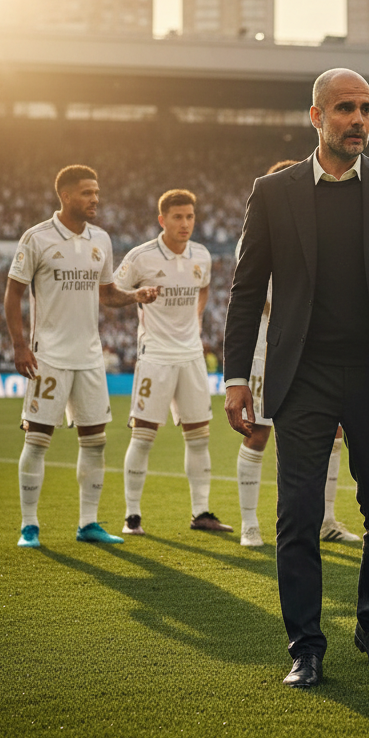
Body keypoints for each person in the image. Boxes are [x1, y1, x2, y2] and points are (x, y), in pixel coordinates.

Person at [223, 68, 369, 689]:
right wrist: (234, 377)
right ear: (317, 117)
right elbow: (247, 290)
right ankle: (305, 645)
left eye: (367, 109)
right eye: (346, 109)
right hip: (302, 374)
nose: (359, 120)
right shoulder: (272, 193)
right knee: (297, 515)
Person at [5, 165, 159, 548]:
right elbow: (13, 294)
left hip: (90, 357)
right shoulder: (36, 238)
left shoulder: (101, 240)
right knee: (38, 440)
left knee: (95, 441)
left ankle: (88, 523)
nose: (95, 199)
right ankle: (29, 526)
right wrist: (20, 345)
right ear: (67, 196)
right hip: (49, 356)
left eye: (96, 192)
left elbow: (106, 294)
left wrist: (134, 296)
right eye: (87, 193)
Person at [234, 161, 360, 548]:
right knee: (258, 433)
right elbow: (252, 291)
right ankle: (249, 524)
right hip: (269, 347)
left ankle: (326, 519)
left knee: (334, 432)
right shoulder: (264, 227)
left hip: (316, 348)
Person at [114, 189, 229, 536]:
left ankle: (201, 513)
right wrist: (135, 295)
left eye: (190, 217)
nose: (185, 223)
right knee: (144, 436)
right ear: (162, 220)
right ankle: (132, 516)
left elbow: (204, 287)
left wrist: (195, 318)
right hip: (156, 356)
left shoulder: (202, 255)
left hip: (191, 356)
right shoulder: (141, 257)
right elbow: (109, 292)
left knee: (199, 438)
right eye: (177, 217)